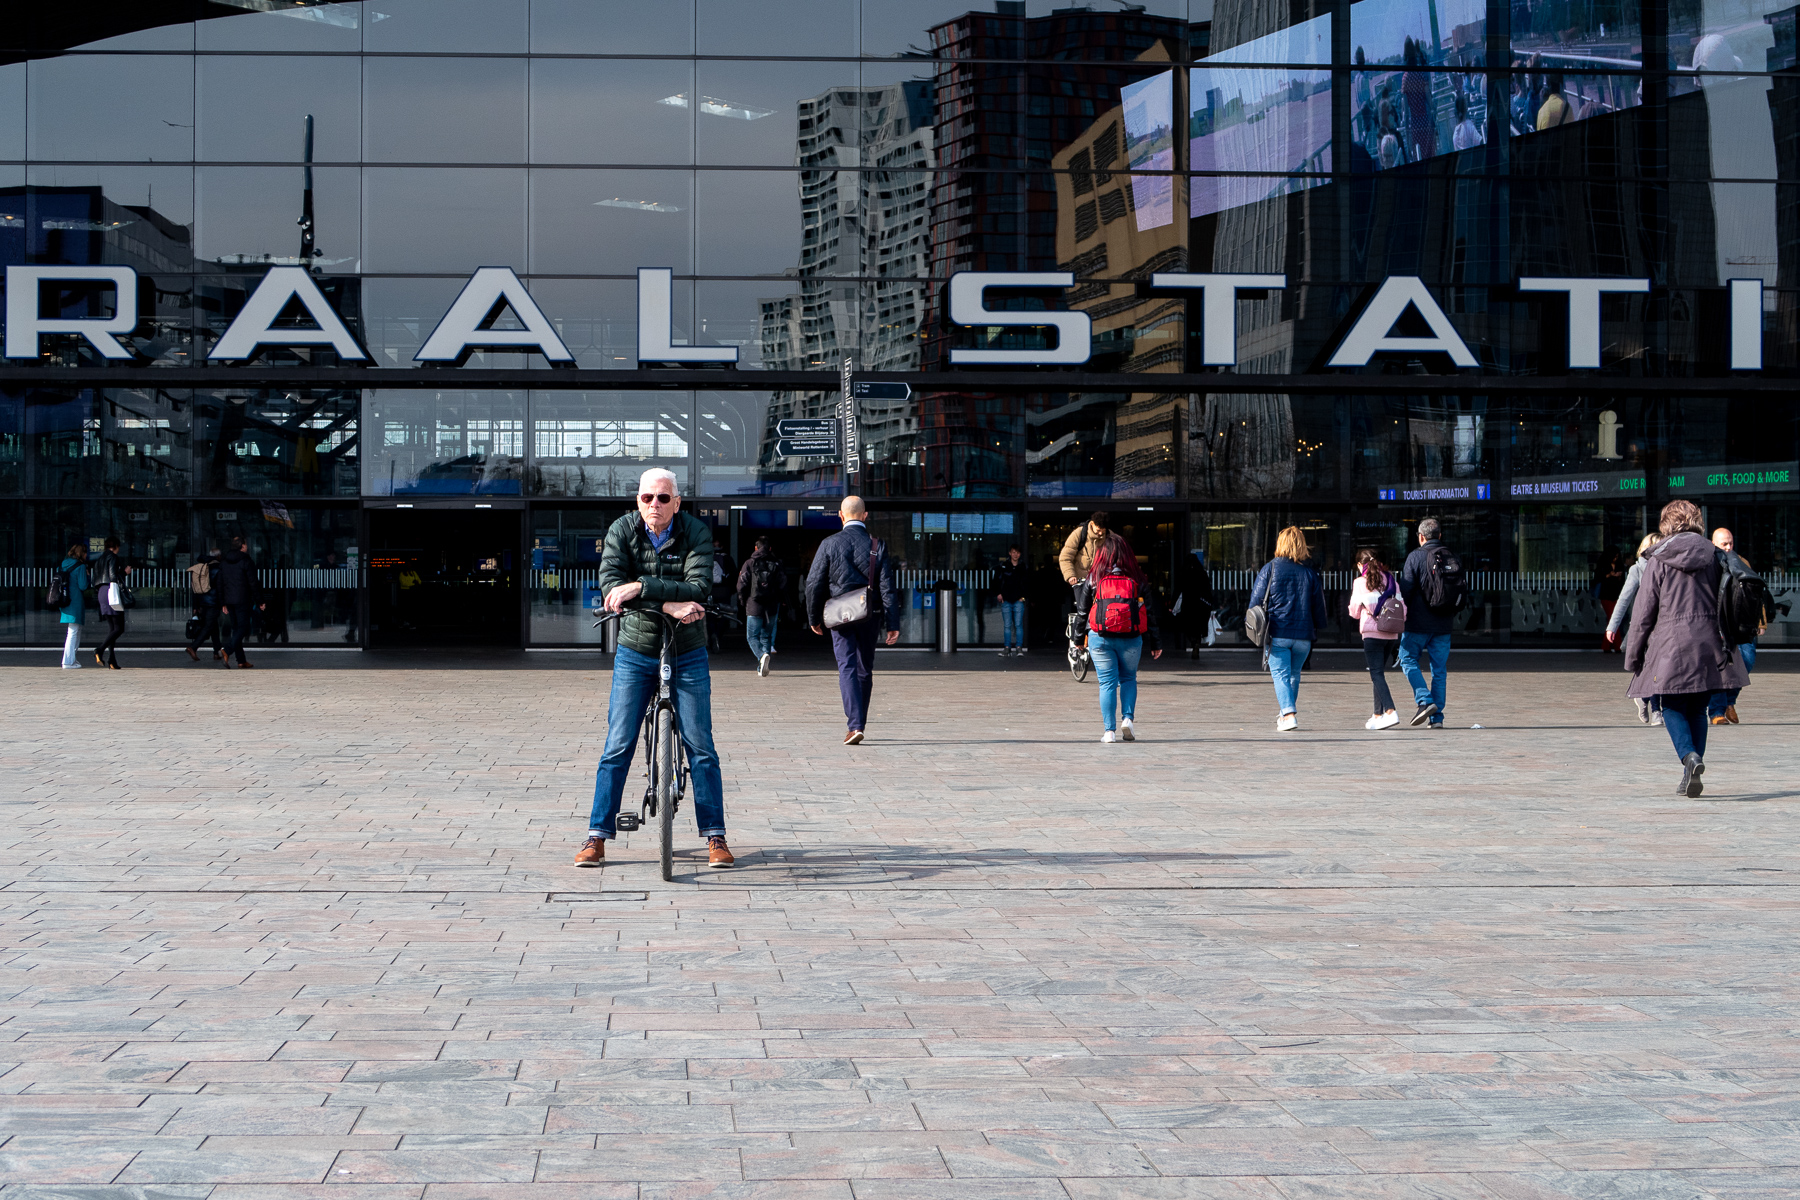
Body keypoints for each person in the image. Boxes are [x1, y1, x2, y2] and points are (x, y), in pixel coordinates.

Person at [577, 467, 733, 869]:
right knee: (617, 745)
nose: (655, 505)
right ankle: (597, 836)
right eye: (647, 498)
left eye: (663, 498)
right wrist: (666, 603)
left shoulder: (695, 532)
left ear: (677, 502)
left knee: (701, 746)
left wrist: (641, 588)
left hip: (687, 651)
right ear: (638, 501)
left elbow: (699, 589)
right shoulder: (622, 531)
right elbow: (612, 587)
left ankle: (714, 835)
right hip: (636, 650)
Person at [1625, 500, 1749, 797]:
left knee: (1670, 706)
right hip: (1710, 643)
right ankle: (1690, 771)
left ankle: (1689, 758)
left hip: (1670, 644)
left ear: (1666, 524)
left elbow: (1643, 613)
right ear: (1697, 521)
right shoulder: (1715, 555)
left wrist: (1633, 655)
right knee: (1698, 708)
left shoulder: (1659, 559)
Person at [806, 495, 900, 745]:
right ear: (865, 515)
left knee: (846, 666)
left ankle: (855, 725)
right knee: (864, 669)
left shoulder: (829, 543)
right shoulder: (876, 545)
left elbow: (813, 584)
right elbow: (887, 587)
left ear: (841, 515)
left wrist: (814, 618)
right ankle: (859, 723)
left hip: (840, 615)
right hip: (869, 614)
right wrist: (893, 624)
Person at [1248, 526, 1327, 732]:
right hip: (1303, 635)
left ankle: (1289, 714)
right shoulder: (1309, 573)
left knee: (1281, 675)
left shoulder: (1270, 569)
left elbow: (1255, 602)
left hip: (1277, 632)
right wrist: (1319, 627)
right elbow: (1319, 607)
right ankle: (1285, 713)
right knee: (1294, 674)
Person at [1085, 533, 1162, 743]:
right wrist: (1156, 642)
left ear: (1102, 554)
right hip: (1131, 637)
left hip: (1100, 638)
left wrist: (1076, 639)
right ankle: (1127, 719)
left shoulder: (1094, 577)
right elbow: (1150, 612)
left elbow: (1083, 610)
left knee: (1107, 683)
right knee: (1128, 678)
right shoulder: (1137, 578)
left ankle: (1109, 732)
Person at [1397, 517, 1459, 729]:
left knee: (1406, 658)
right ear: (1440, 536)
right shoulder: (1451, 555)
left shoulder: (1415, 556)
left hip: (1417, 623)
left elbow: (1405, 590)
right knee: (1439, 670)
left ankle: (1425, 700)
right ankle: (1437, 718)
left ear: (1421, 537)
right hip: (1444, 624)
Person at [1606, 532, 1663, 724]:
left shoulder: (1669, 569)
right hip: (1644, 628)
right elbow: (1624, 599)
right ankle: (1656, 710)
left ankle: (1644, 698)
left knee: (1659, 668)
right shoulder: (1637, 570)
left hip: (1664, 626)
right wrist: (1612, 626)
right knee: (1652, 667)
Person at [1348, 549, 1403, 730]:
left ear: (1359, 565)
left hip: (1372, 634)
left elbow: (1355, 612)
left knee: (1376, 673)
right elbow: (1402, 608)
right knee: (1378, 673)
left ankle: (1390, 711)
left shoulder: (1359, 582)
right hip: (1391, 634)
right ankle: (1377, 715)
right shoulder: (1391, 580)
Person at [1708, 527, 1756, 726]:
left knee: (1747, 659)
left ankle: (1730, 701)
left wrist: (1759, 623)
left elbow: (1754, 595)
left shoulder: (1741, 562)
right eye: (1724, 544)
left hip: (1740, 623)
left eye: (1731, 543)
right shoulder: (1708, 564)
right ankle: (1717, 711)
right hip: (1717, 622)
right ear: (1714, 544)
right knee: (1720, 667)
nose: (1728, 547)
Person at [737, 535, 786, 676]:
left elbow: (741, 584)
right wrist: (780, 600)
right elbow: (783, 584)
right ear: (770, 548)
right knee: (766, 636)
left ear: (755, 548)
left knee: (752, 636)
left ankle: (761, 656)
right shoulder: (776, 563)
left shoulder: (749, 563)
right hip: (771, 605)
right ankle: (761, 667)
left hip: (754, 605)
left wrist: (743, 600)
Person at [215, 536, 264, 669]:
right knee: (244, 628)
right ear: (242, 546)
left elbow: (219, 583)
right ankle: (227, 651)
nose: (247, 547)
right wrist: (260, 600)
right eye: (246, 544)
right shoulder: (246, 560)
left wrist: (223, 602)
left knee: (236, 629)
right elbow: (253, 582)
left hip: (229, 601)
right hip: (242, 599)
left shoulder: (224, 562)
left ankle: (241, 660)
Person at [89, 535, 131, 670]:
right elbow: (113, 576)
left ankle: (112, 660)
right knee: (119, 628)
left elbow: (94, 579)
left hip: (102, 592)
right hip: (111, 592)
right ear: (116, 546)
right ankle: (99, 650)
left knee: (112, 628)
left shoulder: (98, 559)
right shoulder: (112, 557)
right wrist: (125, 573)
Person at [1173, 548, 1216, 659]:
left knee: (1188, 626)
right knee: (1199, 627)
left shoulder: (1184, 573)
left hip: (1188, 604)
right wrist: (1210, 603)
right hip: (1201, 605)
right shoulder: (1202, 573)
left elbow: (1178, 590)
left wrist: (1172, 604)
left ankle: (1193, 643)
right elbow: (1208, 590)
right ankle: (1196, 643)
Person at [55, 543, 90, 669]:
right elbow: (83, 585)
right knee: (73, 631)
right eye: (85, 553)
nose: (87, 555)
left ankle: (71, 660)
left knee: (74, 630)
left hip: (65, 599)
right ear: (81, 553)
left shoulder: (64, 564)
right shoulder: (80, 566)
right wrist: (87, 575)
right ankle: (68, 661)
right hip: (75, 600)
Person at [186, 548, 224, 662]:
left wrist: (196, 606)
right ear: (218, 557)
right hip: (213, 602)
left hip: (203, 601)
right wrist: (223, 603)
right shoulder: (218, 568)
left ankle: (217, 652)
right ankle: (193, 647)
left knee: (213, 626)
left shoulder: (202, 567)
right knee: (208, 626)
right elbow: (220, 588)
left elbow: (195, 588)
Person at [994, 544, 1029, 657]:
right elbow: (996, 581)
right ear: (1010, 553)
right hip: (1006, 600)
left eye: (1017, 552)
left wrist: (1024, 596)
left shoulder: (1023, 567)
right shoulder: (1003, 566)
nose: (1015, 554)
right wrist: (999, 594)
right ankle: (1007, 647)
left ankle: (1018, 647)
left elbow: (1028, 583)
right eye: (1013, 552)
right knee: (1008, 625)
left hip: (1018, 600)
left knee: (1018, 624)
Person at [708, 536, 737, 652]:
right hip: (724, 591)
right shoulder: (727, 558)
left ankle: (713, 634)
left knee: (710, 616)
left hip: (710, 591)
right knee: (725, 615)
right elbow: (734, 575)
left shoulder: (707, 557)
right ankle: (718, 635)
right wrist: (732, 590)